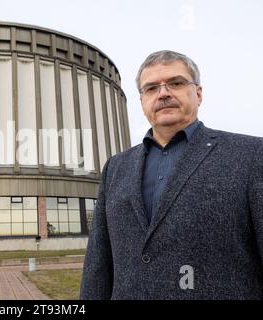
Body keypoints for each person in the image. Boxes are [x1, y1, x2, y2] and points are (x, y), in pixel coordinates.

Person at [80, 50, 263, 300]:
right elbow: (98, 263)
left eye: (175, 83)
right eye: (152, 88)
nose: (163, 93)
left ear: (198, 93)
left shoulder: (251, 155)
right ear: (142, 100)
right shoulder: (116, 167)